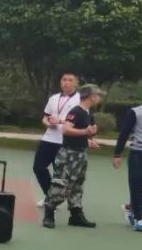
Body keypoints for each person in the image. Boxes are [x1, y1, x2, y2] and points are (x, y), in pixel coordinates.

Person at [43, 84, 104, 229]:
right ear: (91, 96)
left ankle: (76, 214)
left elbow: (86, 132)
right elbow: (66, 129)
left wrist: (90, 139)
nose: (99, 99)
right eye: (97, 96)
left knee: (78, 184)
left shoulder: (89, 113)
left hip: (80, 153)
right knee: (61, 182)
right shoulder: (76, 111)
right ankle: (49, 213)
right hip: (68, 154)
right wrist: (85, 132)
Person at [114, 80, 142, 233]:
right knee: (136, 188)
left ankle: (131, 207)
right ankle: (139, 218)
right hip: (138, 154)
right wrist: (117, 154)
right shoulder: (135, 112)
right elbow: (124, 133)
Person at [33, 72, 80, 205]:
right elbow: (45, 116)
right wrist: (48, 123)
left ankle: (57, 199)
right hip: (48, 139)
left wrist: (59, 121)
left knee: (60, 174)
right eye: (64, 79)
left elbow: (79, 122)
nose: (66, 83)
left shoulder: (79, 100)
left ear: (76, 83)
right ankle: (50, 196)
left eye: (70, 80)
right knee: (38, 168)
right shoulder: (53, 98)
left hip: (65, 141)